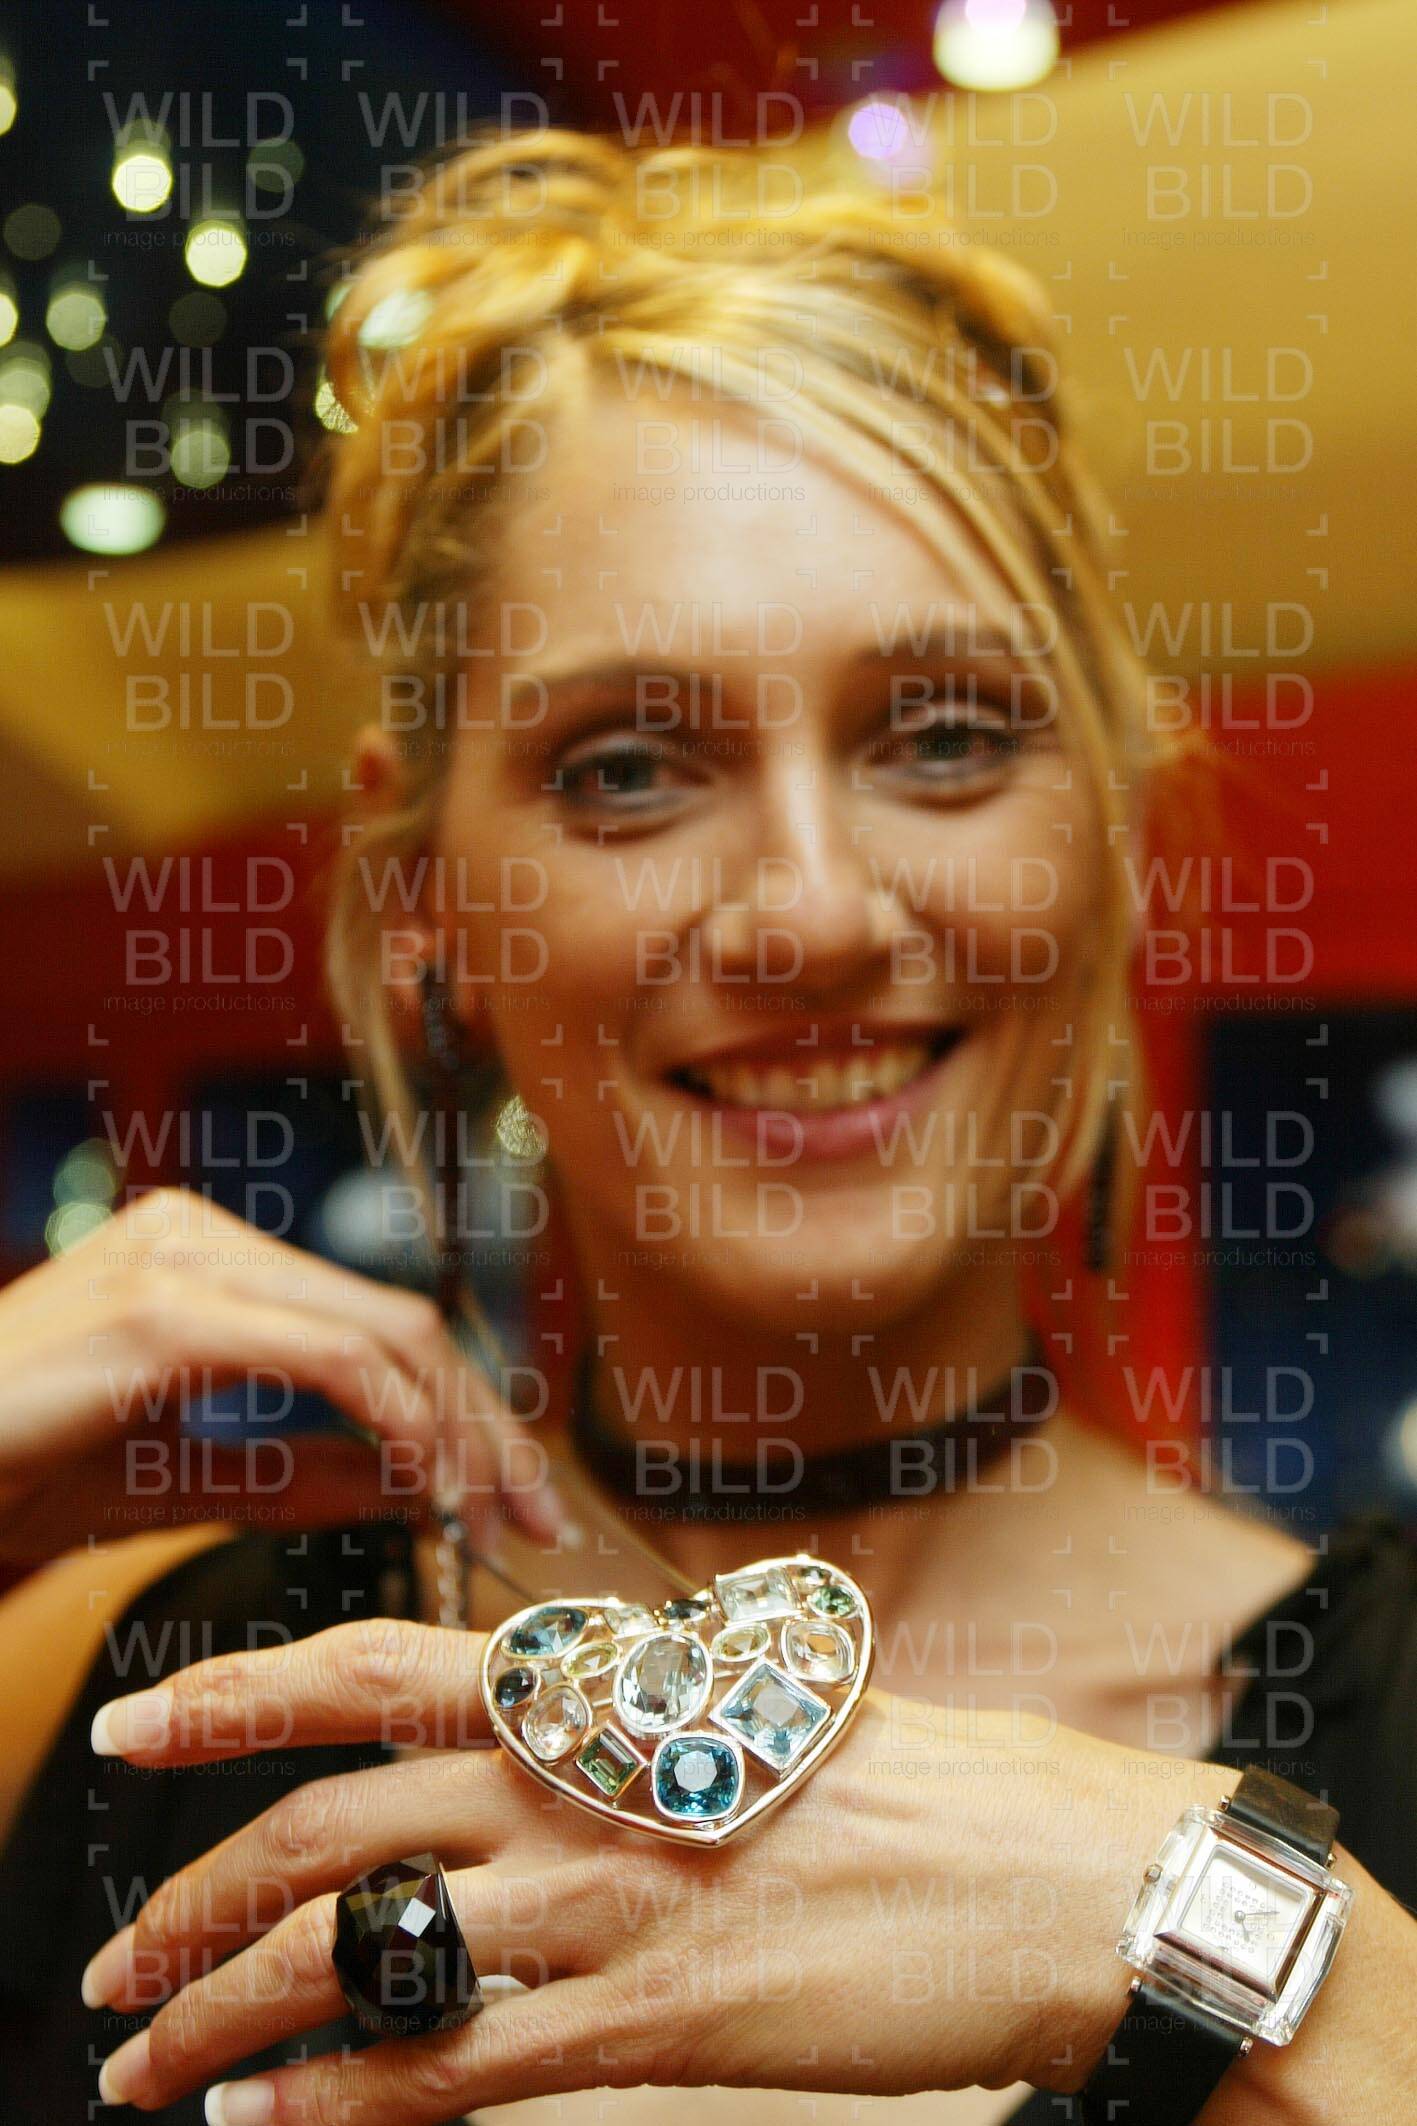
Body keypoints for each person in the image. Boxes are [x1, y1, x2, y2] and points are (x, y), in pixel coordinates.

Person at [0, 126, 1414, 2126]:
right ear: (429, 893)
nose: (813, 915)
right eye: (628, 765)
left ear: (1105, 825)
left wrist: (1234, 1939)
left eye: (943, 733)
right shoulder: (131, 1694)